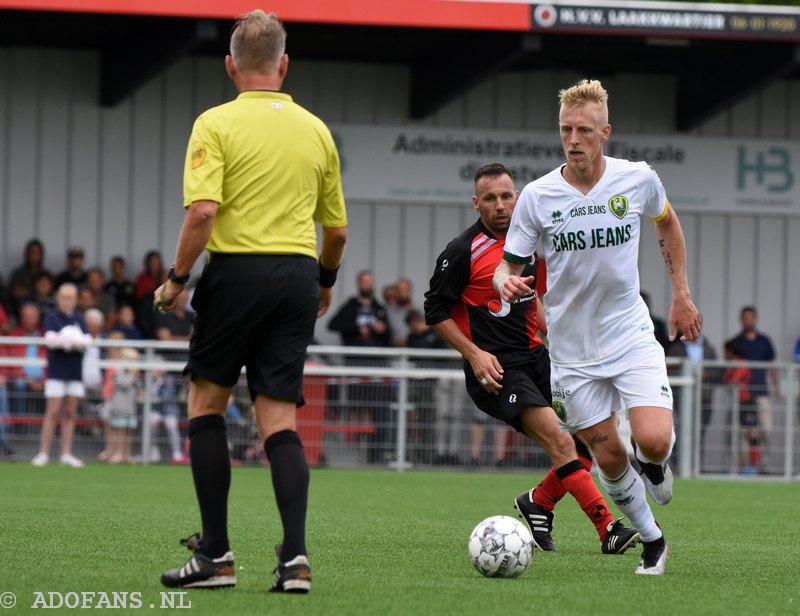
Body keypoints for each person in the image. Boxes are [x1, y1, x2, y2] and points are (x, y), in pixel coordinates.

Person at [154, 9, 348, 593]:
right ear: (284, 65)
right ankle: (295, 560)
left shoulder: (214, 123)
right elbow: (335, 233)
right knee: (279, 422)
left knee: (206, 407)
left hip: (237, 274)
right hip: (295, 277)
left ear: (230, 64)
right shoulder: (316, 130)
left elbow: (204, 212)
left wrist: (176, 280)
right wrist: (324, 282)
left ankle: (215, 556)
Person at [494, 80, 701, 575]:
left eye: (584, 130)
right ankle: (653, 542)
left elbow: (667, 223)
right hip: (570, 353)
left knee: (651, 440)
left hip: (629, 336)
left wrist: (681, 293)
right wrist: (505, 282)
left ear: (605, 132)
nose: (573, 139)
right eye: (566, 129)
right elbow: (509, 264)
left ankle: (654, 464)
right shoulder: (538, 196)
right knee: (607, 455)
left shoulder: (637, 179)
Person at [425, 162, 638, 556]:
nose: (500, 205)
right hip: (497, 370)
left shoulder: (526, 249)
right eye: (490, 198)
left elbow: (534, 304)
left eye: (507, 196)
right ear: (477, 204)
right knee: (560, 441)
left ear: (517, 198)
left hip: (538, 359)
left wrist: (563, 344)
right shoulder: (461, 251)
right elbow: (433, 310)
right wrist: (473, 355)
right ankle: (608, 527)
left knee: (587, 441)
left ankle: (539, 502)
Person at [328, 270, 393, 464]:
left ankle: (370, 454)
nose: (368, 285)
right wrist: (357, 329)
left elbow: (389, 337)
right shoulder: (350, 305)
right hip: (355, 365)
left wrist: (383, 330)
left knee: (372, 409)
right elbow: (333, 324)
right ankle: (352, 453)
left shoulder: (379, 308)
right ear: (359, 284)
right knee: (356, 408)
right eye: (364, 282)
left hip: (375, 367)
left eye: (370, 282)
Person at [32, 283, 91, 467]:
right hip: (56, 370)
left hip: (74, 371)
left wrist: (70, 341)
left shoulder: (79, 318)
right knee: (53, 411)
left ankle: (66, 453)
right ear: (58, 297)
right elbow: (50, 340)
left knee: (70, 411)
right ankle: (44, 453)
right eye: (64, 297)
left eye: (71, 297)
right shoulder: (52, 316)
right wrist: (70, 341)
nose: (67, 301)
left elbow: (87, 340)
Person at [725, 306, 780, 473]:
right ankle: (746, 466)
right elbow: (729, 364)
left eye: (751, 317)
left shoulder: (764, 340)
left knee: (766, 429)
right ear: (741, 319)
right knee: (744, 432)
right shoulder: (735, 342)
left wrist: (776, 386)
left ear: (755, 319)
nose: (748, 320)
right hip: (743, 395)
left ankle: (762, 465)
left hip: (762, 392)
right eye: (745, 318)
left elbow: (772, 365)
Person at [665, 319, 717, 457]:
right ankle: (678, 466)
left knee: (700, 434)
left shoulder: (709, 349)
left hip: (703, 400)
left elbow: (718, 372)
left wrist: (705, 375)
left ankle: (696, 466)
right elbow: (667, 370)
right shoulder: (676, 348)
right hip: (680, 399)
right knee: (679, 432)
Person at [722, 340, 760, 474]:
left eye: (725, 351)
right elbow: (727, 380)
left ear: (731, 351)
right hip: (735, 403)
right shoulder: (729, 366)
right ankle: (738, 466)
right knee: (734, 435)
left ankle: (754, 467)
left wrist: (731, 378)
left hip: (747, 402)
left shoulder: (742, 363)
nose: (724, 354)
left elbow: (734, 380)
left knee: (751, 434)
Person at [8, 238, 47, 315]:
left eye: (37, 253)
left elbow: (49, 294)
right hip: (21, 312)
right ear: (27, 254)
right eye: (32, 252)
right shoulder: (18, 273)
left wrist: (27, 292)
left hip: (43, 312)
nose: (35, 255)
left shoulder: (45, 274)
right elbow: (15, 292)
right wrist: (36, 294)